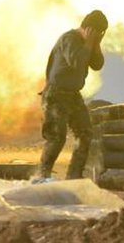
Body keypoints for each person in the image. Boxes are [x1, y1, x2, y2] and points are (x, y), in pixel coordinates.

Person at [35, 9, 107, 180]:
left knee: (85, 134)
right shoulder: (70, 39)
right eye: (97, 32)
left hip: (72, 94)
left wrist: (95, 45)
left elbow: (97, 65)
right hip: (55, 94)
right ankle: (42, 176)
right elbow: (76, 62)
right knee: (56, 138)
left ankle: (73, 176)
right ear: (89, 29)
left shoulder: (89, 44)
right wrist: (89, 44)